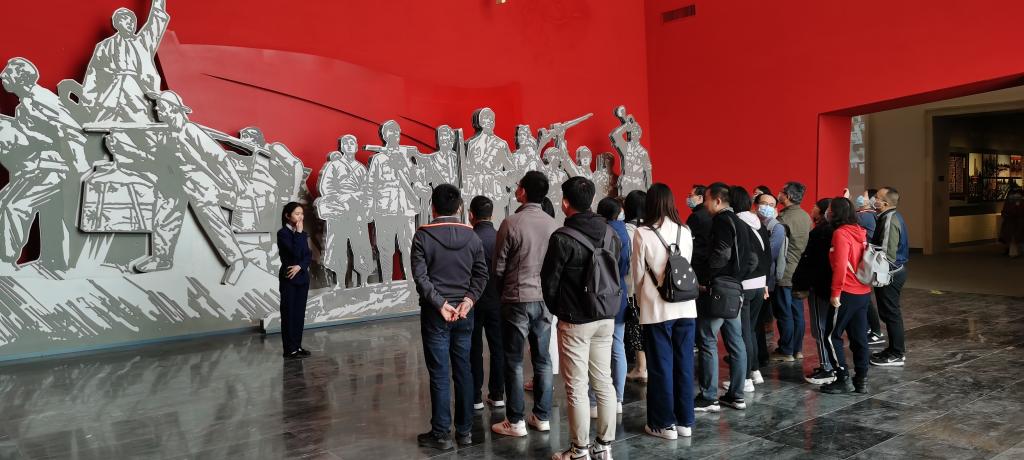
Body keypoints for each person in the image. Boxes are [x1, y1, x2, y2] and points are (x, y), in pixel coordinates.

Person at [542, 177, 620, 460]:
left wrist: (559, 310)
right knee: (604, 381)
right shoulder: (610, 232)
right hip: (606, 314)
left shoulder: (562, 237)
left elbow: (549, 281)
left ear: (565, 203)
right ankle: (604, 446)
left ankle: (579, 450)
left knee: (576, 386)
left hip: (575, 319)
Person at [411, 184, 488, 450]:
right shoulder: (472, 236)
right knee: (463, 369)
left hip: (436, 314)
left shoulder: (423, 236)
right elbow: (482, 274)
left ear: (432, 207)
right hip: (465, 313)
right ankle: (465, 432)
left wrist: (440, 303)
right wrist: (468, 300)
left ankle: (441, 434)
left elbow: (421, 277)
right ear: (459, 208)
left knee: (440, 373)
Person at [492, 171, 559, 438]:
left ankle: (515, 420)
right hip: (545, 300)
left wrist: (503, 292)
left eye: (519, 186)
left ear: (523, 191)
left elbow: (498, 267)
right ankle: (542, 417)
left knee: (514, 360)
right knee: (543, 359)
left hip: (517, 298)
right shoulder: (553, 224)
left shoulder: (511, 223)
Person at [632, 183, 696, 439]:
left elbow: (637, 274)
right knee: (684, 364)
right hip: (686, 306)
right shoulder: (685, 230)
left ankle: (663, 423)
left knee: (660, 366)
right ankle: (685, 422)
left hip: (656, 308)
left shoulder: (642, 232)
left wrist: (640, 300)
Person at [695, 182, 751, 412]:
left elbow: (721, 253)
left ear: (717, 201)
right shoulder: (741, 222)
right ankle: (737, 395)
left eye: (706, 199)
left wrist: (708, 277)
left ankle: (709, 397)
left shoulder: (720, 221)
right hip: (736, 289)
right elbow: (751, 259)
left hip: (719, 289)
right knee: (736, 342)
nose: (704, 204)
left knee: (707, 339)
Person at [820, 197, 872, 394]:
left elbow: (840, 265)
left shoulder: (841, 233)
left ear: (836, 213)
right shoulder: (860, 231)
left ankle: (842, 377)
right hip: (863, 291)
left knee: (831, 336)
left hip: (846, 292)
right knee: (859, 337)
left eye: (830, 209)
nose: (828, 212)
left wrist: (835, 292)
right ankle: (861, 379)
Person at [588, 197, 630, 417]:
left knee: (596, 347)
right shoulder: (624, 231)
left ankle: (594, 400)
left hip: (601, 291)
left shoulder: (601, 231)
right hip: (620, 291)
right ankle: (619, 398)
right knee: (617, 345)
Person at [792, 198, 836, 385]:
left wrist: (801, 284)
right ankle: (832, 364)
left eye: (816, 206)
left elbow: (810, 262)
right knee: (830, 328)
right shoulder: (839, 230)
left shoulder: (821, 232)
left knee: (820, 328)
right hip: (835, 287)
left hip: (820, 287)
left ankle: (827, 367)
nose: (813, 209)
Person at [730, 186, 769, 393]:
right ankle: (755, 371)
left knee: (743, 331)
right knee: (751, 329)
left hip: (745, 284)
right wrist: (766, 283)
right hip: (760, 283)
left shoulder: (736, 222)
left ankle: (744, 379)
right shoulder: (758, 222)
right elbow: (767, 254)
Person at [469, 196, 505, 410]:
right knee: (498, 348)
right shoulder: (501, 236)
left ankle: (475, 397)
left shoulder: (469, 238)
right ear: (491, 214)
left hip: (472, 301)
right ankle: (497, 394)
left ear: (471, 215)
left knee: (474, 349)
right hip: (498, 300)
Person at [870, 187, 910, 367]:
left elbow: (887, 254)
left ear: (885, 203)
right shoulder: (890, 216)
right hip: (892, 272)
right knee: (888, 313)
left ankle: (897, 353)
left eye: (877, 197)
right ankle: (893, 349)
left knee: (891, 313)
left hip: (890, 274)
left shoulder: (889, 219)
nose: (874, 199)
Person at [772, 181, 812, 362]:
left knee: (784, 313)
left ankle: (786, 350)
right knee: (797, 313)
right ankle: (797, 349)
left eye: (781, 191)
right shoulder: (805, 217)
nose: (779, 194)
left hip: (785, 271)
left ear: (787, 196)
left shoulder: (782, 219)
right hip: (800, 271)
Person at [754, 188, 784, 369]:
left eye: (771, 205)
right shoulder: (752, 223)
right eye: (763, 203)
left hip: (766, 279)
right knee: (754, 320)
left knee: (760, 319)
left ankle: (761, 355)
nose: (766, 207)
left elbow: (769, 254)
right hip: (752, 278)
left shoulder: (776, 228)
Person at [278, 202, 312, 360]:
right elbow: (295, 253)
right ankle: (289, 350)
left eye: (302, 214)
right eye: (297, 214)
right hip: (289, 279)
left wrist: (300, 266)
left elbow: (307, 256)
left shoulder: (303, 233)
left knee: (299, 313)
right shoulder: (283, 233)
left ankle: (297, 346)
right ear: (287, 216)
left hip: (302, 278)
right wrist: (298, 233)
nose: (301, 217)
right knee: (289, 314)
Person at [623, 190, 649, 382]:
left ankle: (641, 367)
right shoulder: (650, 228)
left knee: (635, 326)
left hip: (632, 285)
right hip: (651, 286)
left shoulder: (627, 230)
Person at [855, 189, 885, 345]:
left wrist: (845, 200)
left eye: (864, 195)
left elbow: (845, 218)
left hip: (865, 261)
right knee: (864, 297)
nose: (861, 197)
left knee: (865, 298)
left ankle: (875, 331)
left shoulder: (866, 216)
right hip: (866, 260)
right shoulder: (870, 215)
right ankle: (868, 328)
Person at [686, 185, 712, 271]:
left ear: (700, 198)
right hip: (708, 261)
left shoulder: (696, 216)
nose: (688, 198)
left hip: (697, 261)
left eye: (691, 195)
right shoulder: (710, 213)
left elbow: (687, 239)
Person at [1000, 186, 1024, 258]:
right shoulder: (1020, 200)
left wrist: (1005, 215)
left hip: (1011, 221)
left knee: (1011, 237)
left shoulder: (1009, 200)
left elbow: (1005, 210)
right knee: (1014, 237)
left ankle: (1011, 251)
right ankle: (1012, 251)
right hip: (1016, 221)